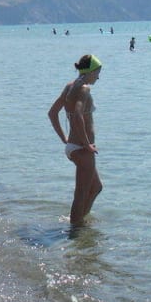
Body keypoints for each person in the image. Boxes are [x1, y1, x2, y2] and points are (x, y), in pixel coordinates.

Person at [47, 54, 104, 226]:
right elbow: (78, 114)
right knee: (82, 192)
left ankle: (80, 220)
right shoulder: (84, 88)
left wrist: (64, 138)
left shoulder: (70, 86)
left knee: (96, 187)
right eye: (98, 72)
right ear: (91, 71)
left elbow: (52, 113)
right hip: (81, 148)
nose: (99, 77)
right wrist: (86, 143)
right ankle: (76, 229)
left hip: (74, 146)